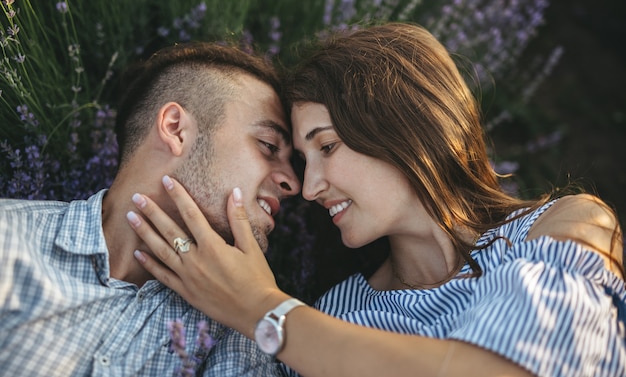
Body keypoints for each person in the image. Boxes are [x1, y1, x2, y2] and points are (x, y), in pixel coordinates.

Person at [127, 23, 626, 377]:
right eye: (304, 161)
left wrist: (262, 309)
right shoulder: (340, 311)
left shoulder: (565, 226)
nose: (309, 186)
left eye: (326, 146)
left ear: (404, 127)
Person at [0, 41, 301, 376]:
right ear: (175, 128)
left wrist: (264, 304)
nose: (293, 183)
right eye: (269, 146)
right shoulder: (8, 240)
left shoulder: (236, 326)